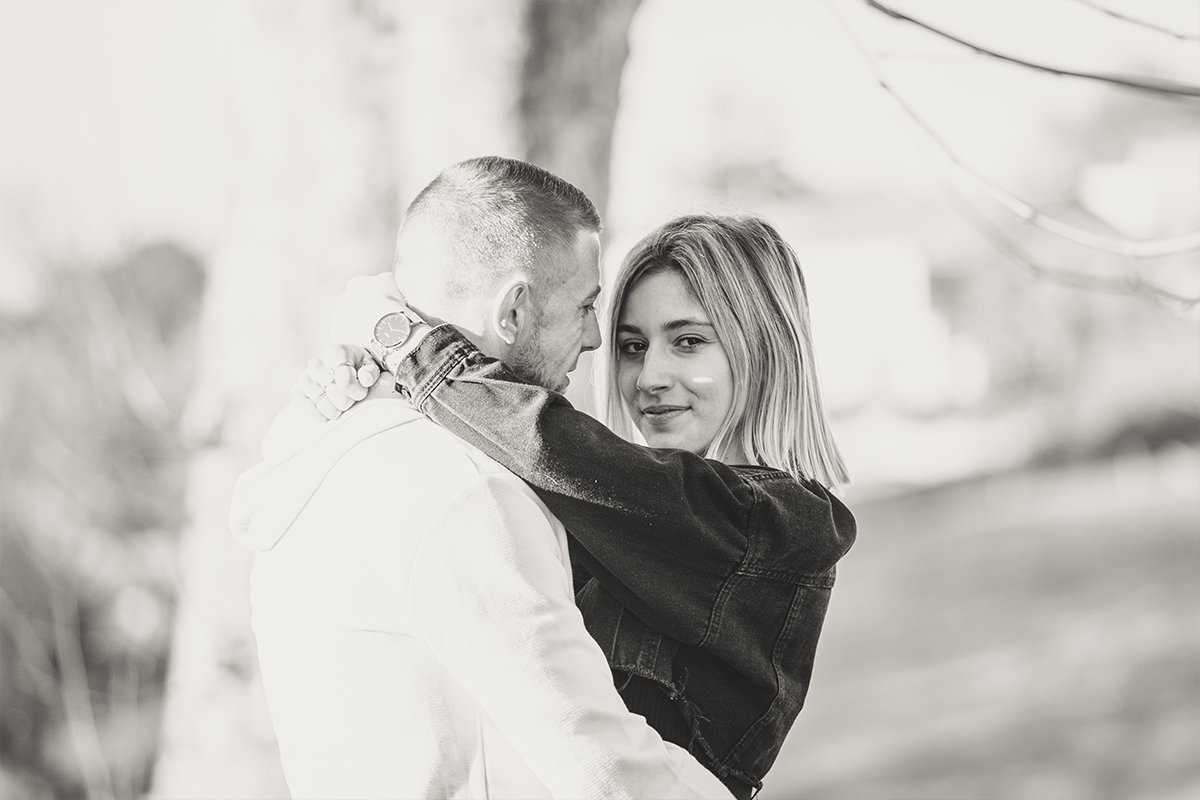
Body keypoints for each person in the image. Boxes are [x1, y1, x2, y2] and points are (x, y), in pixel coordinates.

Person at [301, 213, 856, 799]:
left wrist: (399, 338)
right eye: (633, 347)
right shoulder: (628, 513)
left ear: (763, 346)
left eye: (689, 341)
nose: (650, 377)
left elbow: (546, 442)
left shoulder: (776, 524)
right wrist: (367, 376)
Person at [230, 156, 734, 799]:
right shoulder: (463, 490)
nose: (593, 337)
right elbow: (595, 757)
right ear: (515, 311)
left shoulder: (317, 462)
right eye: (583, 305)